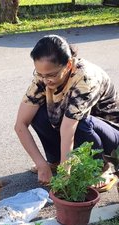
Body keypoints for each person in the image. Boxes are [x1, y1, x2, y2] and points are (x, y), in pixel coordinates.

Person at [14, 34, 119, 191]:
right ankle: (56, 160)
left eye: (51, 75)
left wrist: (65, 174)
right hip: (73, 126)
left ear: (69, 65)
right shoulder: (42, 78)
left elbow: (68, 129)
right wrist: (41, 164)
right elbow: (20, 124)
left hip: (109, 135)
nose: (45, 80)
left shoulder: (85, 78)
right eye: (40, 74)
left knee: (82, 122)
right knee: (38, 114)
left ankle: (102, 168)